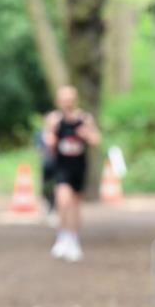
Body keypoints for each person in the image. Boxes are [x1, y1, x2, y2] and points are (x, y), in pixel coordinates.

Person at [44, 85, 100, 262]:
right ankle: (62, 237)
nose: (67, 101)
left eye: (70, 98)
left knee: (75, 205)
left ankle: (74, 240)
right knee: (62, 201)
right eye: (63, 98)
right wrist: (51, 137)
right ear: (58, 100)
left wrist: (86, 134)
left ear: (75, 99)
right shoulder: (54, 119)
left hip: (79, 167)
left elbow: (96, 140)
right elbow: (47, 141)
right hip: (62, 167)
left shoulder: (85, 118)